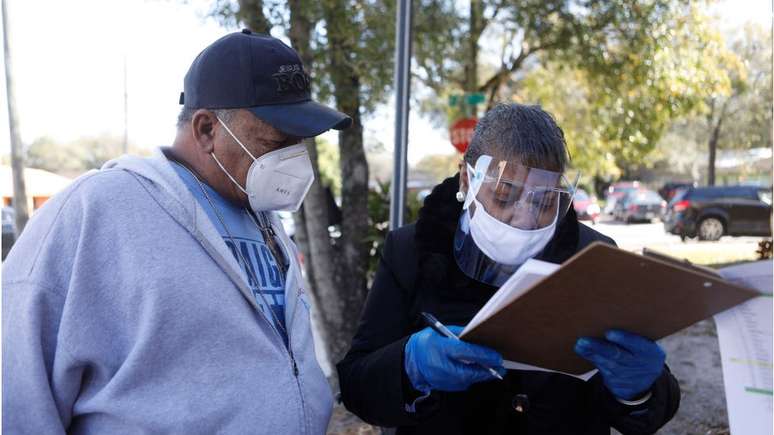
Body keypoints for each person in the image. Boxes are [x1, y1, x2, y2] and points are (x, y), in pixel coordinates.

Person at [3, 30, 350, 434]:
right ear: (206, 130)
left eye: (299, 143)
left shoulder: (262, 215)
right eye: (276, 141)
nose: (292, 158)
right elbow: (16, 390)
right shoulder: (98, 211)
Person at [337, 103, 680, 434]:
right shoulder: (411, 251)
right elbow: (357, 385)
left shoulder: (593, 256)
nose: (524, 218)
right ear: (467, 181)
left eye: (544, 202)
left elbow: (645, 415)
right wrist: (409, 366)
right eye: (503, 195)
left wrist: (637, 392)